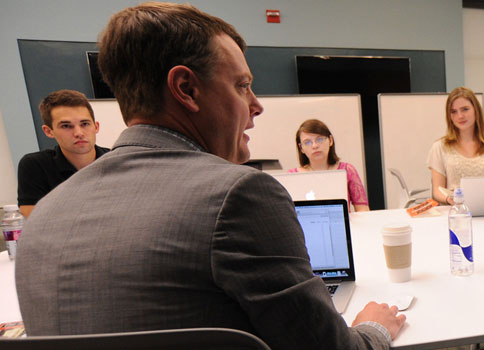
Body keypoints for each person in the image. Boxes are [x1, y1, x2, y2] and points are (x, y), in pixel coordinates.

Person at [15, 3, 405, 349]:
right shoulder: (239, 194)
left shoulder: (45, 216)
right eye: (243, 86)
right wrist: (375, 328)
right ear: (186, 88)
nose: (256, 106)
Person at [17, 89, 110, 217]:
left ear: (96, 127)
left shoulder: (116, 159)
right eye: (66, 126)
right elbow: (34, 220)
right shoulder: (35, 165)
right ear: (48, 131)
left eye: (85, 124)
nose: (79, 133)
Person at [427, 86, 484, 205]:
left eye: (465, 109)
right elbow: (437, 190)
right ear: (450, 117)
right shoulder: (439, 147)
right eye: (453, 111)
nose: (460, 116)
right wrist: (450, 200)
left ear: (476, 110)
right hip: (455, 213)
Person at [289, 119, 370, 212]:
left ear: (330, 140)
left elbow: (363, 210)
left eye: (319, 139)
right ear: (301, 148)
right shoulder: (292, 176)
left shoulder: (347, 170)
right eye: (307, 142)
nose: (314, 146)